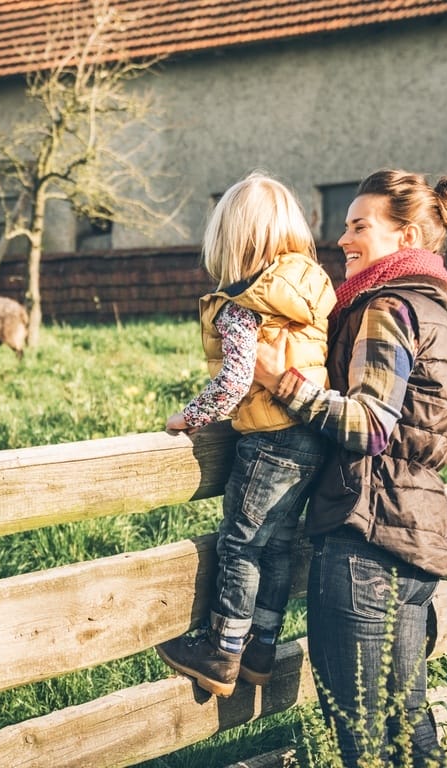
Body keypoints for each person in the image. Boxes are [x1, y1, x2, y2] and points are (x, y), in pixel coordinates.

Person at [253, 168, 447, 767]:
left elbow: (371, 426)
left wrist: (283, 384)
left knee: (361, 735)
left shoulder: (387, 307)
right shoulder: (434, 312)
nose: (342, 239)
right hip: (412, 536)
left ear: (405, 239)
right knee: (406, 722)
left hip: (365, 539)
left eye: (359, 226)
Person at [155, 171, 335, 697]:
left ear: (233, 240)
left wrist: (190, 416)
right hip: (311, 433)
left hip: (269, 437)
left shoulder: (244, 303)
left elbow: (235, 379)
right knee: (276, 547)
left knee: (240, 546)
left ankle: (221, 652)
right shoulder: (310, 288)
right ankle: (260, 649)